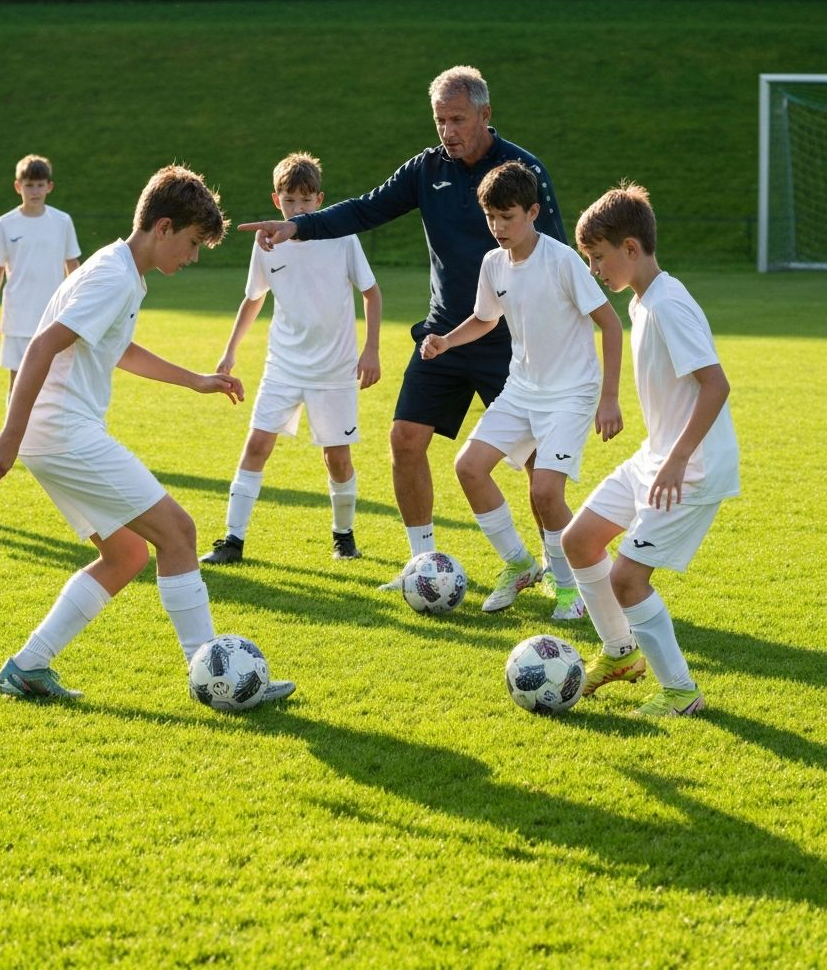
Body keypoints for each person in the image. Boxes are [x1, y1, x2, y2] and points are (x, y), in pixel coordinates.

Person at [0, 164, 295, 704]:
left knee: (125, 556)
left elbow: (114, 347)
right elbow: (39, 346)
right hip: (62, 432)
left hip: (55, 433)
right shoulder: (114, 276)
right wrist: (10, 433)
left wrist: (193, 379)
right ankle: (213, 679)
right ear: (163, 227)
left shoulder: (120, 269)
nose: (191, 258)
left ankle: (27, 667)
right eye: (192, 244)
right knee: (179, 531)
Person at [239, 65, 566, 589]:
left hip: (510, 342)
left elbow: (556, 257)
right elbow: (366, 209)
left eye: (458, 119)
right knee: (406, 439)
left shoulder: (522, 172)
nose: (448, 131)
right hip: (444, 336)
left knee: (533, 460)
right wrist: (297, 226)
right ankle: (423, 566)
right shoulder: (425, 170)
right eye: (440, 120)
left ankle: (556, 567)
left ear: (485, 115)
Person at [562, 182, 739, 716]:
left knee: (627, 578)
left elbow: (716, 384)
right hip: (657, 457)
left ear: (631, 249)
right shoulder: (643, 302)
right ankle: (620, 654)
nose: (595, 270)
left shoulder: (667, 307)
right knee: (579, 541)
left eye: (598, 258)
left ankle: (681, 693)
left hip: (691, 468)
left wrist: (680, 458)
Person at [421, 161, 623, 618]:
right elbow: (485, 317)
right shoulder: (493, 263)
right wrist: (446, 341)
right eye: (491, 217)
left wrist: (609, 399)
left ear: (533, 212)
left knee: (546, 493)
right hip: (522, 389)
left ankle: (571, 590)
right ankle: (519, 565)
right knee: (469, 467)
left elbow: (611, 325)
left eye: (507, 217)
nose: (497, 227)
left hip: (572, 394)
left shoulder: (563, 261)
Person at [201, 152, 382, 566]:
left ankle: (343, 535)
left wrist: (371, 349)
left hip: (335, 368)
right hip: (283, 364)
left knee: (337, 457)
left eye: (305, 200)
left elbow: (371, 293)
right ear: (275, 199)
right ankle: (232, 539)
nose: (296, 208)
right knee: (257, 444)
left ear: (320, 199)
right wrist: (230, 351)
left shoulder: (342, 236)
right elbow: (253, 299)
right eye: (288, 201)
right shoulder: (265, 242)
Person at [0, 154, 81, 396]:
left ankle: (47, 434)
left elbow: (73, 266)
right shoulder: (5, 224)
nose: (34, 191)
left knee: (54, 385)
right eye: (29, 185)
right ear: (18, 187)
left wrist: (78, 308)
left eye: (39, 185)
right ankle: (15, 434)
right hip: (17, 317)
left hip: (53, 317)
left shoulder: (62, 221)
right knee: (17, 385)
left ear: (49, 186)